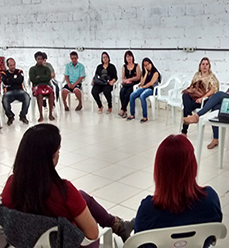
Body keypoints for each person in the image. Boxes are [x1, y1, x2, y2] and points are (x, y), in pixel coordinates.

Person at [1, 124, 134, 247]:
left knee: (81, 195)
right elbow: (92, 234)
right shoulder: (64, 190)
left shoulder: (11, 185)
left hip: (25, 243)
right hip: (66, 243)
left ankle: (118, 225)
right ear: (51, 157)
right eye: (58, 151)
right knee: (80, 201)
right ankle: (118, 226)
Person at [134, 135, 222, 248]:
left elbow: (139, 243)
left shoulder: (147, 211)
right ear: (193, 166)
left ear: (159, 170)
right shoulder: (210, 200)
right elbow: (213, 235)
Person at [182, 57, 219, 149]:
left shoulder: (211, 77)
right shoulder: (196, 75)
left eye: (207, 64)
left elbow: (213, 90)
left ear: (209, 66)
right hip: (194, 97)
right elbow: (192, 86)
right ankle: (189, 114)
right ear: (200, 66)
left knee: (186, 108)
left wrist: (202, 98)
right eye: (203, 64)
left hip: (204, 99)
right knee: (185, 96)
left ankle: (184, 131)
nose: (205, 66)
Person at [127, 58, 160, 123]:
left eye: (148, 64)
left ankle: (145, 116)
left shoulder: (155, 73)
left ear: (151, 63)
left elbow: (151, 83)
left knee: (142, 96)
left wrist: (143, 87)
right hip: (144, 88)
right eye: (145, 65)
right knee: (132, 95)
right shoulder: (144, 72)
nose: (147, 66)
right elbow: (141, 83)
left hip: (152, 89)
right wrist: (145, 74)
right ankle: (132, 114)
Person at [1, 58, 30, 126]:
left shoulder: (19, 71)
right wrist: (15, 80)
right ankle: (10, 116)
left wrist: (10, 80)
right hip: (9, 92)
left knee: (27, 97)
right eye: (11, 65)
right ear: (7, 66)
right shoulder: (4, 73)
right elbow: (5, 81)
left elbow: (20, 80)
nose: (13, 67)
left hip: (20, 91)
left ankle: (23, 116)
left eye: (14, 65)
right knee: (4, 100)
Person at [29, 51, 55, 122]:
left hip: (46, 85)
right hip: (37, 86)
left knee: (51, 93)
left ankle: (50, 114)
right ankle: (41, 115)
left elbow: (48, 78)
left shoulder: (46, 69)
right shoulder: (32, 69)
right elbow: (33, 79)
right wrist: (43, 78)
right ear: (36, 59)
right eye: (38, 59)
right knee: (39, 95)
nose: (40, 60)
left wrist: (39, 77)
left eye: (41, 59)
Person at [118, 51, 141, 118]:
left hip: (134, 84)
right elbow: (123, 78)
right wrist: (126, 81)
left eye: (130, 56)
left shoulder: (136, 65)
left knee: (128, 93)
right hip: (127, 84)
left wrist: (130, 80)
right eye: (127, 57)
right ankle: (124, 110)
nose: (129, 58)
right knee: (122, 92)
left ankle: (122, 109)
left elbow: (138, 77)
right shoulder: (124, 66)